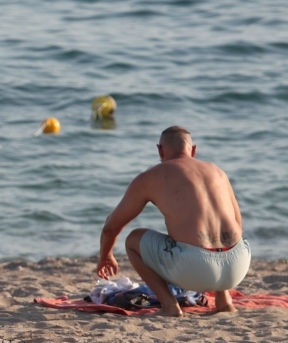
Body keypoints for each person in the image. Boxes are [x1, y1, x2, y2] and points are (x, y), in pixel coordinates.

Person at [96, 126, 249, 316]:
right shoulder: (217, 172)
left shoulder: (151, 177)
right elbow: (237, 221)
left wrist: (105, 256)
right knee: (220, 232)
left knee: (133, 239)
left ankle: (169, 306)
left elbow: (111, 227)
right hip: (238, 265)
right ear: (194, 150)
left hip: (196, 268)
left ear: (160, 150)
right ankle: (224, 298)